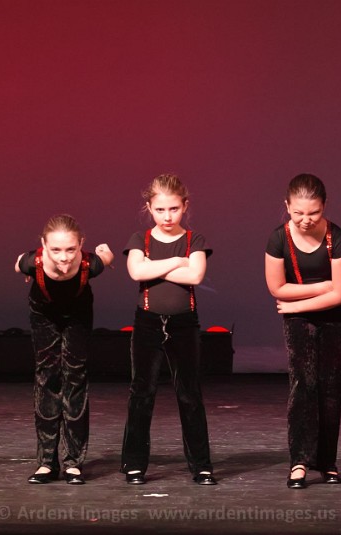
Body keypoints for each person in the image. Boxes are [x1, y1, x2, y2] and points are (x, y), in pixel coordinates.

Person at [120, 173, 216, 486]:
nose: (167, 216)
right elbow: (137, 271)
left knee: (189, 394)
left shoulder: (195, 240)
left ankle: (201, 465)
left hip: (184, 323)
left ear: (185, 206)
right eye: (160, 210)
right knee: (142, 393)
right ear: (149, 208)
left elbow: (195, 276)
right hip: (148, 322)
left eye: (173, 209)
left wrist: (155, 268)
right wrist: (178, 261)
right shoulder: (140, 239)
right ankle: (134, 464)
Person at [264, 173, 341, 489]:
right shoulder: (279, 238)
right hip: (299, 320)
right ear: (287, 206)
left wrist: (296, 305)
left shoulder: (336, 237)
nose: (305, 219)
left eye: (313, 213)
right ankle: (299, 462)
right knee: (303, 384)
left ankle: (327, 462)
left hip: (335, 318)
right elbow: (277, 287)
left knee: (331, 387)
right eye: (298, 212)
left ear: (324, 206)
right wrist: (324, 286)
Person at [15, 214, 113, 485]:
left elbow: (106, 258)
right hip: (43, 314)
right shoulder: (31, 263)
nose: (64, 258)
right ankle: (46, 462)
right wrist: (26, 272)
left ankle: (73, 462)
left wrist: (106, 252)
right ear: (43, 245)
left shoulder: (91, 264)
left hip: (78, 315)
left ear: (81, 244)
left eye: (71, 249)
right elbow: (18, 263)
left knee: (75, 378)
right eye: (55, 250)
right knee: (47, 377)